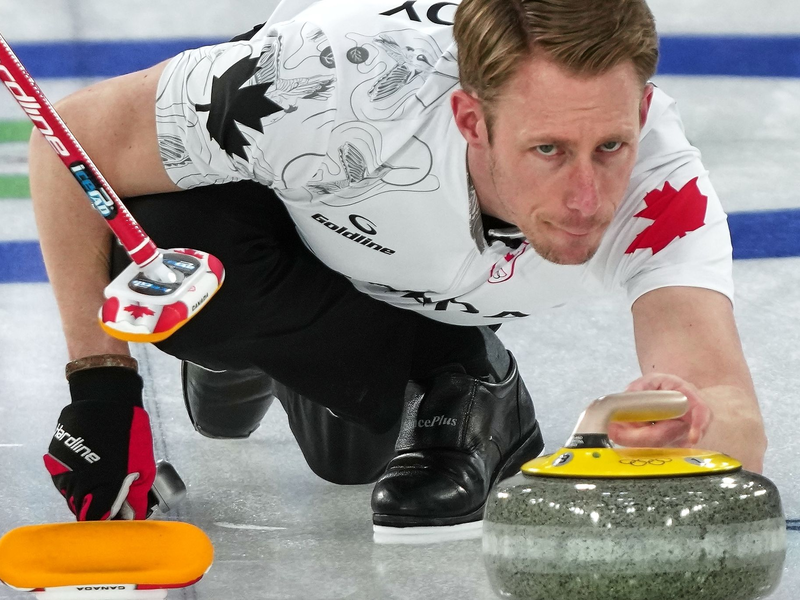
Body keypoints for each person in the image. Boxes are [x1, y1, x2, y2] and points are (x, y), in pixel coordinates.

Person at [29, 0, 767, 541]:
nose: (586, 199)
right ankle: (455, 369)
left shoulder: (661, 187)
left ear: (641, 108)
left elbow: (727, 404)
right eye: (548, 150)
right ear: (471, 120)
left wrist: (695, 428)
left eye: (610, 146)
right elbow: (71, 142)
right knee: (176, 259)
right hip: (282, 206)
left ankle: (326, 362)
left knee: (350, 462)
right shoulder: (320, 82)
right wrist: (101, 387)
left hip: (372, 281)